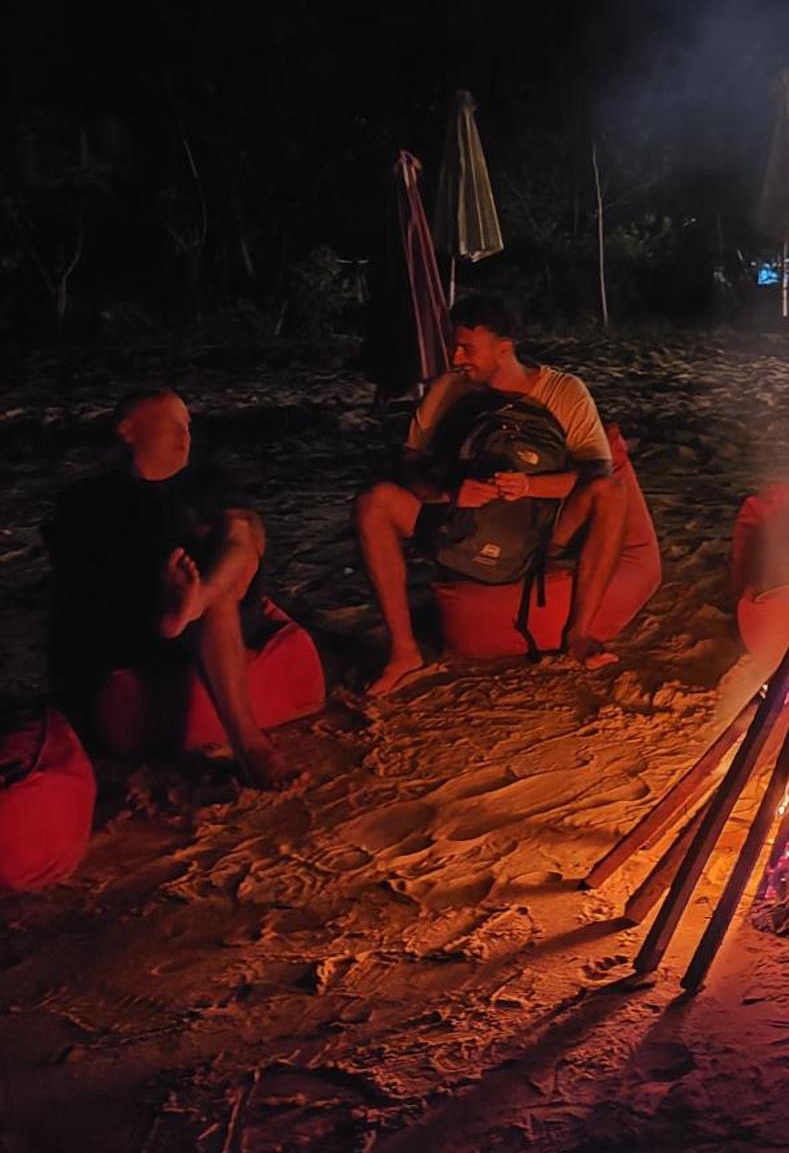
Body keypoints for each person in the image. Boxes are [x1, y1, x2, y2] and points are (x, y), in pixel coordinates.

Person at [355, 293, 623, 694]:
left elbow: (595, 473)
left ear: (505, 347)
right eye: (454, 346)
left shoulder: (564, 392)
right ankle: (404, 651)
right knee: (373, 503)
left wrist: (531, 485)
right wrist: (448, 491)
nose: (457, 358)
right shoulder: (447, 390)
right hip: (460, 524)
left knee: (610, 491)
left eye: (467, 348)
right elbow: (407, 464)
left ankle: (579, 634)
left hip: (539, 533)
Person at [45, 390, 299, 789]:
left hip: (211, 604)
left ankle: (248, 742)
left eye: (188, 427)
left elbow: (240, 534)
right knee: (197, 563)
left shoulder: (207, 479)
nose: (185, 438)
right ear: (128, 432)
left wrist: (198, 591)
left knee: (237, 538)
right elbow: (79, 587)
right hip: (140, 618)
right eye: (172, 426)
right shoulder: (90, 498)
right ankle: (249, 744)